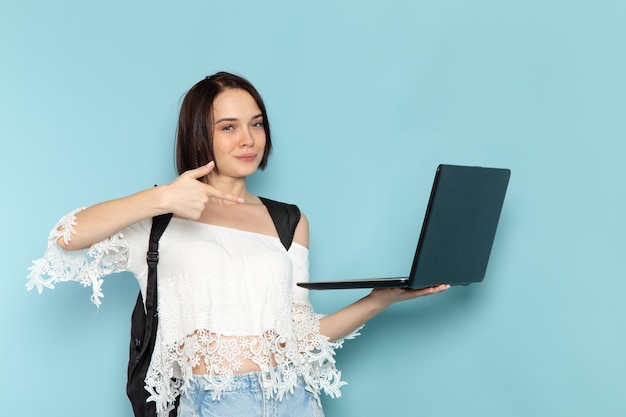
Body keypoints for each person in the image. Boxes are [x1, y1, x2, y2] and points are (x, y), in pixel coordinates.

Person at [27, 71, 449, 417]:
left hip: (295, 398)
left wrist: (379, 300)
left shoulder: (288, 220)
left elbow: (298, 335)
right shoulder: (160, 218)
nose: (248, 139)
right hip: (213, 403)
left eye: (256, 123)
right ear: (198, 136)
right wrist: (161, 197)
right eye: (228, 127)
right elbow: (67, 236)